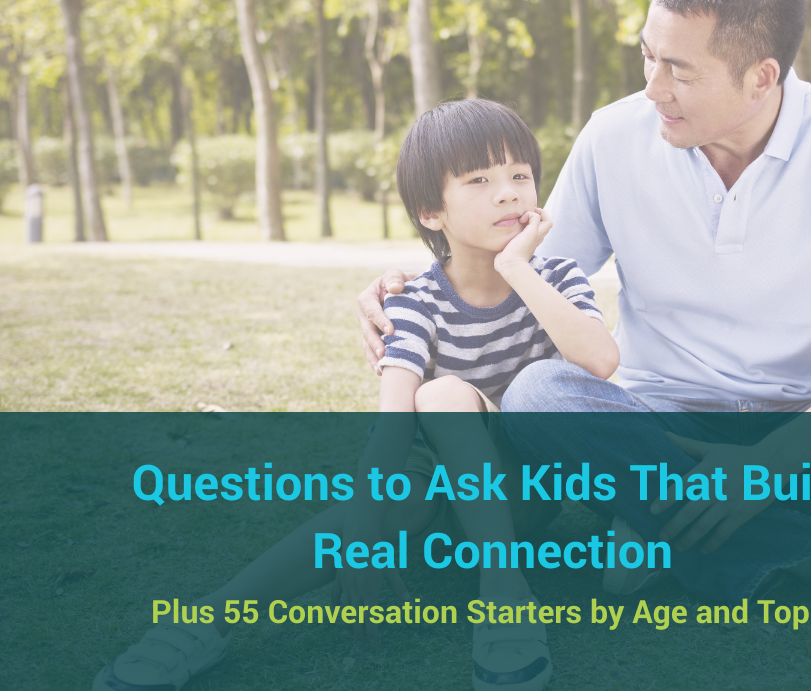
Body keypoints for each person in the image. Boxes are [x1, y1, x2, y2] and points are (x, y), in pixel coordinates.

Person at [357, 0, 811, 613]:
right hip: (655, 429)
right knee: (543, 395)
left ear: (761, 77)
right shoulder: (613, 137)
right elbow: (520, 272)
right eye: (647, 56)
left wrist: (769, 465)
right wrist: (417, 287)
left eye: (678, 71)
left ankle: (665, 538)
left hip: (810, 431)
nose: (652, 87)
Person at [93, 99, 618, 691]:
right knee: (431, 415)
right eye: (480, 180)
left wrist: (519, 267)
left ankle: (504, 594)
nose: (508, 193)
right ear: (430, 211)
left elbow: (600, 359)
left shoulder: (557, 275)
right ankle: (205, 622)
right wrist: (365, 532)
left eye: (520, 175)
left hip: (526, 487)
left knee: (444, 398)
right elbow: (394, 425)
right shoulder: (416, 302)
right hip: (438, 492)